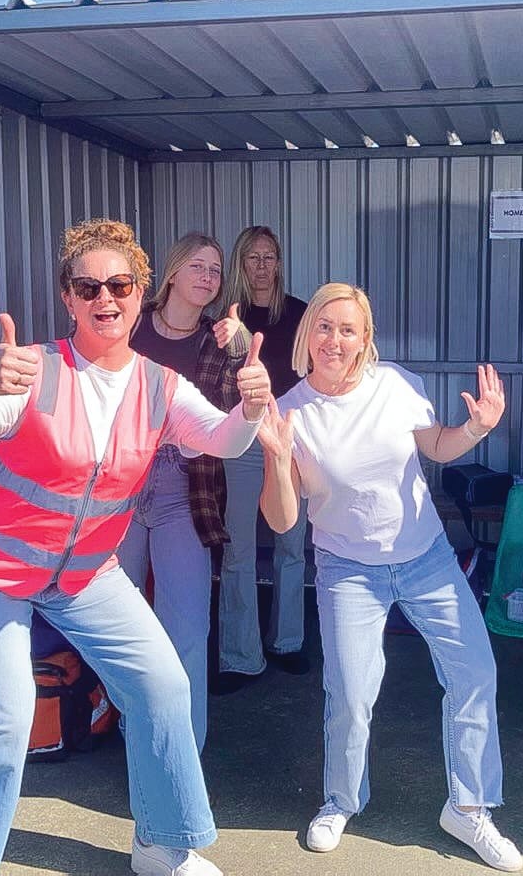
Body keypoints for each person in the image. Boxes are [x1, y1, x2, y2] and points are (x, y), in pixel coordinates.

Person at [0, 218, 273, 876]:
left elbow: (223, 439)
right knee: (2, 717)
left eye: (118, 284)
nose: (104, 298)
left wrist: (251, 408)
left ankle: (161, 847)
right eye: (88, 287)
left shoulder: (159, 385)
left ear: (141, 291)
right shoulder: (35, 366)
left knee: (165, 686)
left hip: (82, 573)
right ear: (68, 297)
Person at [255, 282, 523, 873]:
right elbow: (282, 517)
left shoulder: (397, 385)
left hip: (425, 557)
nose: (335, 339)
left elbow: (437, 445)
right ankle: (341, 799)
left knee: (475, 673)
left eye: (348, 329)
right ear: (308, 334)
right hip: (347, 570)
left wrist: (477, 428)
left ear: (364, 338)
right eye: (324, 326)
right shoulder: (291, 410)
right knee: (350, 696)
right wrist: (277, 459)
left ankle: (470, 806)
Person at [118, 232, 250, 750]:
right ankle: (133, 730)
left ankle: (185, 746)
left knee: (187, 623)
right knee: (123, 623)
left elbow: (231, 408)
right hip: (120, 486)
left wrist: (238, 346)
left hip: (182, 487)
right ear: (172, 272)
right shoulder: (127, 326)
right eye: (198, 265)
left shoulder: (217, 340)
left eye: (215, 269)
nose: (207, 276)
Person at [214, 225, 311, 694]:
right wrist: (234, 338)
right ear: (240, 262)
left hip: (290, 440)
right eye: (252, 257)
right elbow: (214, 382)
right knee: (238, 549)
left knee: (292, 546)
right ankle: (239, 655)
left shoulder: (299, 313)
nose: (261, 266)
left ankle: (288, 642)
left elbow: (315, 377)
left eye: (269, 256)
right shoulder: (225, 316)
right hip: (243, 439)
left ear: (279, 262)